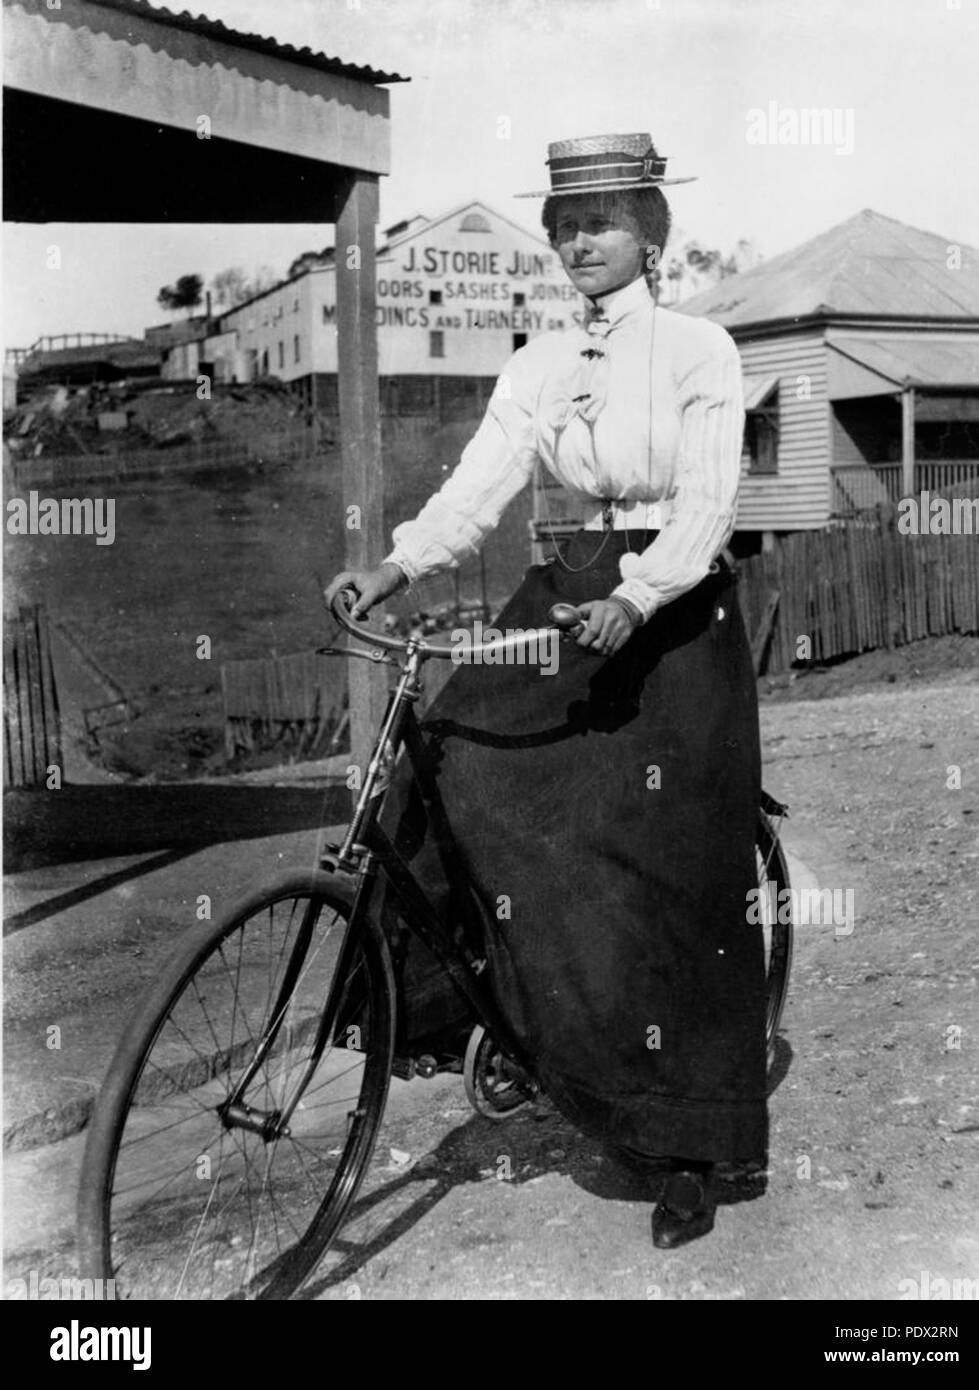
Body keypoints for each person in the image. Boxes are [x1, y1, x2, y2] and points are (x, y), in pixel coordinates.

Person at [326, 132, 766, 1250]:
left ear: (651, 232)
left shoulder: (700, 350)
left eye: (605, 221)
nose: (581, 241)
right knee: (449, 739)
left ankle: (686, 1146)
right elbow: (480, 485)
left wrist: (643, 591)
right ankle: (468, 1018)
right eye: (565, 223)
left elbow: (709, 503)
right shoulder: (533, 363)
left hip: (671, 610)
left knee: (670, 860)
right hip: (559, 596)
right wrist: (392, 564)